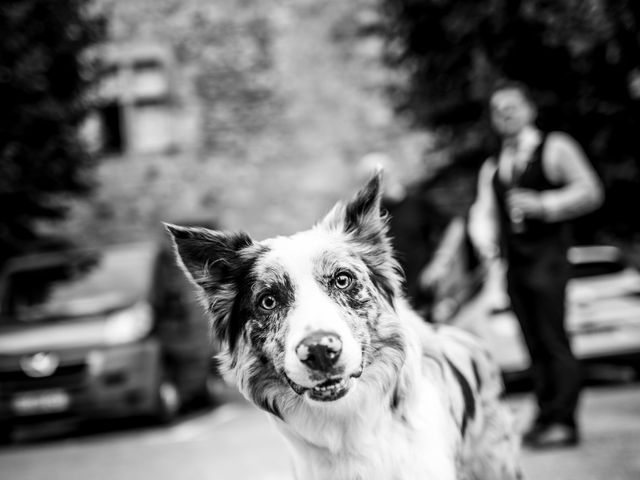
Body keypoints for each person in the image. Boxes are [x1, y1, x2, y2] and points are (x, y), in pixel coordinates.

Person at [468, 80, 604, 448]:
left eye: (512, 106)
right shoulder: (495, 165)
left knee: (553, 341)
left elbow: (590, 191)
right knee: (533, 344)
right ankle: (545, 415)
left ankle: (564, 420)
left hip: (549, 261)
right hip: (515, 266)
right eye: (498, 109)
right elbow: (484, 214)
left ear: (530, 109)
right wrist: (486, 243)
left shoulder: (556, 147)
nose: (505, 114)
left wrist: (545, 205)